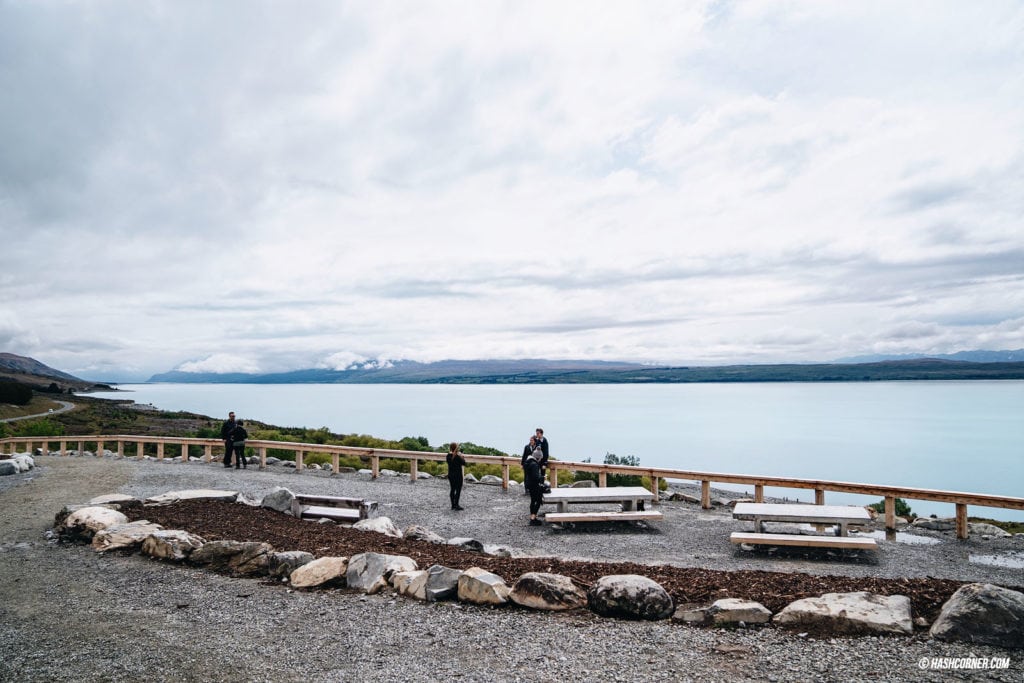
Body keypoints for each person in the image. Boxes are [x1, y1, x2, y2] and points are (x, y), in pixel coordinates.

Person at [523, 446, 545, 526]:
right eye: (540, 458)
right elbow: (536, 477)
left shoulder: (528, 462)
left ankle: (532, 517)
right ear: (538, 457)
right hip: (534, 485)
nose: (540, 460)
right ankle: (533, 518)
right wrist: (543, 477)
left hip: (529, 484)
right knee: (538, 501)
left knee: (533, 500)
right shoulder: (534, 465)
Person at [446, 442, 466, 511]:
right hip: (458, 476)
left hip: (451, 475)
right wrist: (462, 456)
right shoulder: (458, 456)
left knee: (452, 489)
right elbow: (464, 463)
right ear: (456, 448)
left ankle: (453, 505)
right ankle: (457, 505)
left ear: (450, 448)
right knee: (458, 490)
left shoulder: (448, 456)